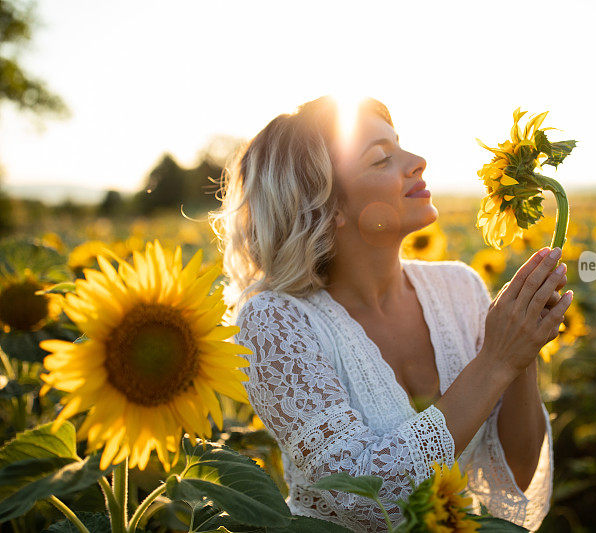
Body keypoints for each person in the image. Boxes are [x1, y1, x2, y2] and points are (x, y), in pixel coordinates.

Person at [210, 95, 572, 532]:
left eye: (400, 146)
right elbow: (362, 493)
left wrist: (522, 347)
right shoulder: (275, 322)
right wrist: (496, 359)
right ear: (328, 206)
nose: (418, 161)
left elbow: (514, 469)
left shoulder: (459, 288)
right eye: (381, 159)